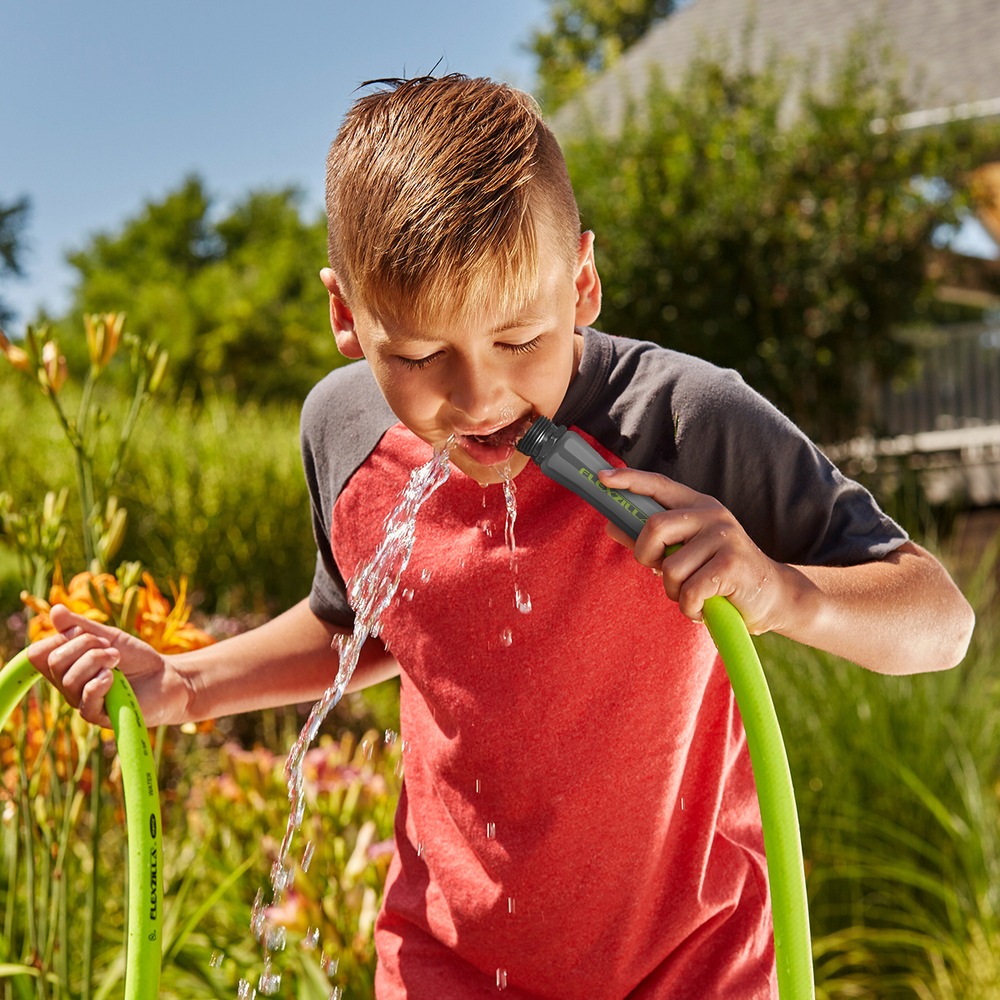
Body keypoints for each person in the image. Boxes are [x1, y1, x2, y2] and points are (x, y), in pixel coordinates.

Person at [27, 75, 973, 999]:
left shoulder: (687, 424)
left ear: (584, 282)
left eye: (520, 339)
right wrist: (186, 682)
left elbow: (939, 618)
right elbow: (361, 627)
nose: (478, 399)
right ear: (346, 316)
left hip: (690, 968)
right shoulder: (344, 433)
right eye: (421, 355)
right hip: (446, 964)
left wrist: (783, 591)